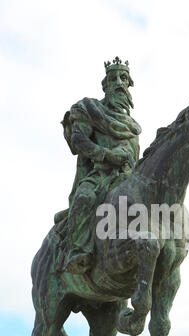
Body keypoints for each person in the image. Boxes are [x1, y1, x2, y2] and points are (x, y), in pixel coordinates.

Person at [58, 57, 141, 274]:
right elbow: (79, 141)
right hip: (99, 176)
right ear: (105, 85)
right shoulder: (89, 108)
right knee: (84, 198)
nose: (119, 83)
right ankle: (78, 251)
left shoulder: (132, 126)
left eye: (124, 78)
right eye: (113, 79)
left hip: (127, 178)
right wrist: (108, 156)